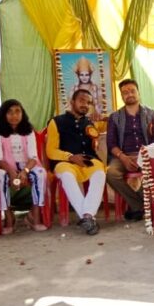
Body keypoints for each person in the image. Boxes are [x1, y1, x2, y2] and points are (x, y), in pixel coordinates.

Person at [46, 89, 106, 235]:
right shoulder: (56, 122)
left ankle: (87, 217)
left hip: (88, 161)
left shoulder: (90, 122)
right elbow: (51, 150)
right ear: (72, 102)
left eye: (88, 102)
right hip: (65, 162)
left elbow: (109, 125)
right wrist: (70, 157)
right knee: (67, 176)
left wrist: (103, 118)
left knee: (100, 173)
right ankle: (88, 216)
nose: (85, 105)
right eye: (81, 100)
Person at [107, 79, 154, 221]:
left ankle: (136, 206)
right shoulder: (114, 117)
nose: (129, 94)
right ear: (122, 96)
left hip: (146, 154)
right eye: (125, 92)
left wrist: (142, 155)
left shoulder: (152, 114)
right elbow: (111, 143)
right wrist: (123, 158)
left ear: (138, 93)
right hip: (122, 156)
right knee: (111, 173)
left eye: (132, 91)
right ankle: (140, 204)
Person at [0, 99, 47, 233]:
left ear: (22, 113)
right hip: (5, 166)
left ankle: (34, 217)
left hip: (27, 166)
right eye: (9, 112)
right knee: (0, 176)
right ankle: (8, 216)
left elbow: (33, 157)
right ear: (3, 114)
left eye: (17, 111)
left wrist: (25, 171)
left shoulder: (28, 130)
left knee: (41, 174)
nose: (14, 115)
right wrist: (11, 172)